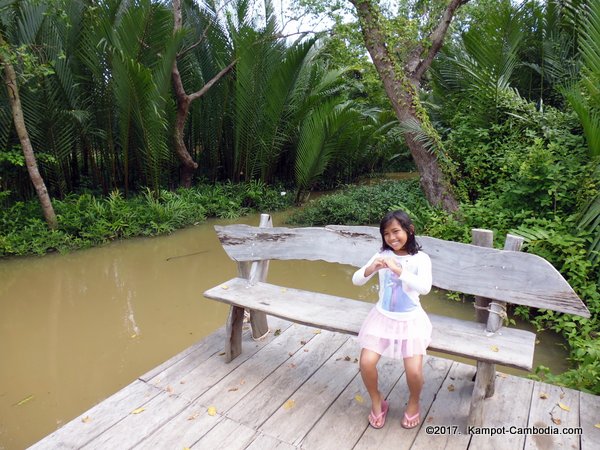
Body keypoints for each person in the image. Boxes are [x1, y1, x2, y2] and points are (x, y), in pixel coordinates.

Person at [352, 210, 433, 429]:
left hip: (410, 321)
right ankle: (378, 400)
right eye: (386, 233)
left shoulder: (420, 259)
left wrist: (399, 271)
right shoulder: (382, 254)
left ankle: (414, 402)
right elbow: (356, 280)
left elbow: (425, 288)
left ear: (410, 230)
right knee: (366, 362)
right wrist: (372, 268)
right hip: (381, 319)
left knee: (414, 371)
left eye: (396, 231)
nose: (391, 238)